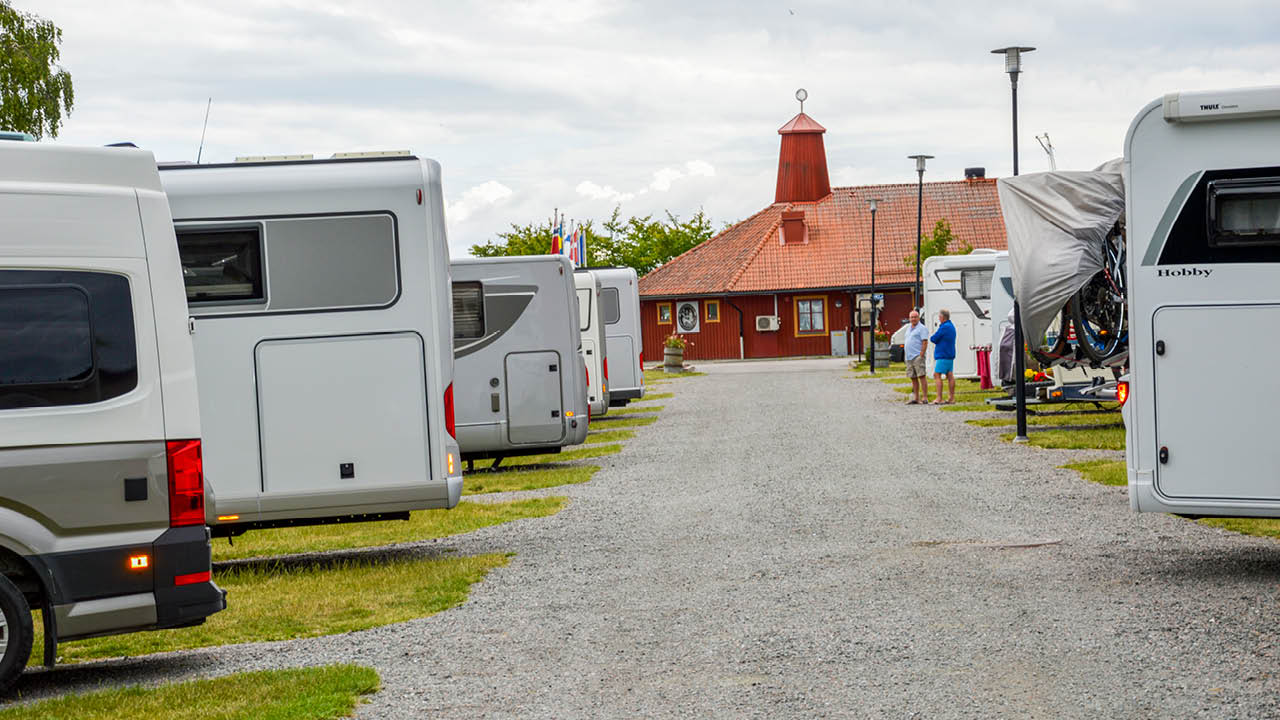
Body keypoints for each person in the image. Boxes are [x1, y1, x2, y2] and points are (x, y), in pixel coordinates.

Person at [903, 310, 930, 404]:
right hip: (909, 357)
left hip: (917, 356)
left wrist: (921, 354)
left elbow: (925, 342)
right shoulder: (908, 328)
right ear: (909, 318)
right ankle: (916, 398)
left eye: (915, 317)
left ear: (918, 318)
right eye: (911, 317)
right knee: (913, 377)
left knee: (921, 376)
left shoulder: (922, 328)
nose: (913, 319)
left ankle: (925, 397)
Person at [930, 308, 957, 404]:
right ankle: (951, 398)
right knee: (950, 375)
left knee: (937, 375)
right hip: (950, 354)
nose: (938, 318)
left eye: (939, 317)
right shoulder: (951, 326)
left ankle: (939, 398)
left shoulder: (944, 327)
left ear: (942, 317)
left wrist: (933, 336)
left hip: (943, 355)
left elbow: (934, 338)